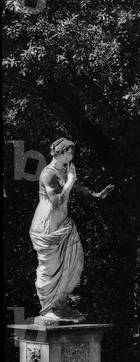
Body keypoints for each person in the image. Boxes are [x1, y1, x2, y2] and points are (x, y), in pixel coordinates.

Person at [29, 137, 114, 321]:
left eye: (72, 153)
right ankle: (48, 308)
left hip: (62, 224)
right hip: (47, 226)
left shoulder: (63, 171)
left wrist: (95, 194)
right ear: (58, 153)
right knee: (50, 268)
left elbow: (74, 187)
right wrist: (69, 180)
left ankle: (60, 305)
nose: (71, 156)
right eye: (68, 153)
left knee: (73, 264)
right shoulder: (48, 174)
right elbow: (58, 201)